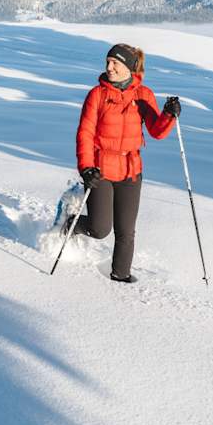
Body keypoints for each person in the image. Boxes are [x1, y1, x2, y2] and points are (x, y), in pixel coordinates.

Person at [69, 43, 181, 283]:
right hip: (101, 171)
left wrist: (169, 115)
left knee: (126, 232)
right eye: (107, 62)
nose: (109, 67)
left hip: (131, 171)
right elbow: (85, 134)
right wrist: (86, 167)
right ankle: (72, 223)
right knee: (100, 229)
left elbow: (156, 131)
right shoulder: (97, 95)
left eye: (115, 63)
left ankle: (121, 277)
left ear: (129, 67)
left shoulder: (143, 95)